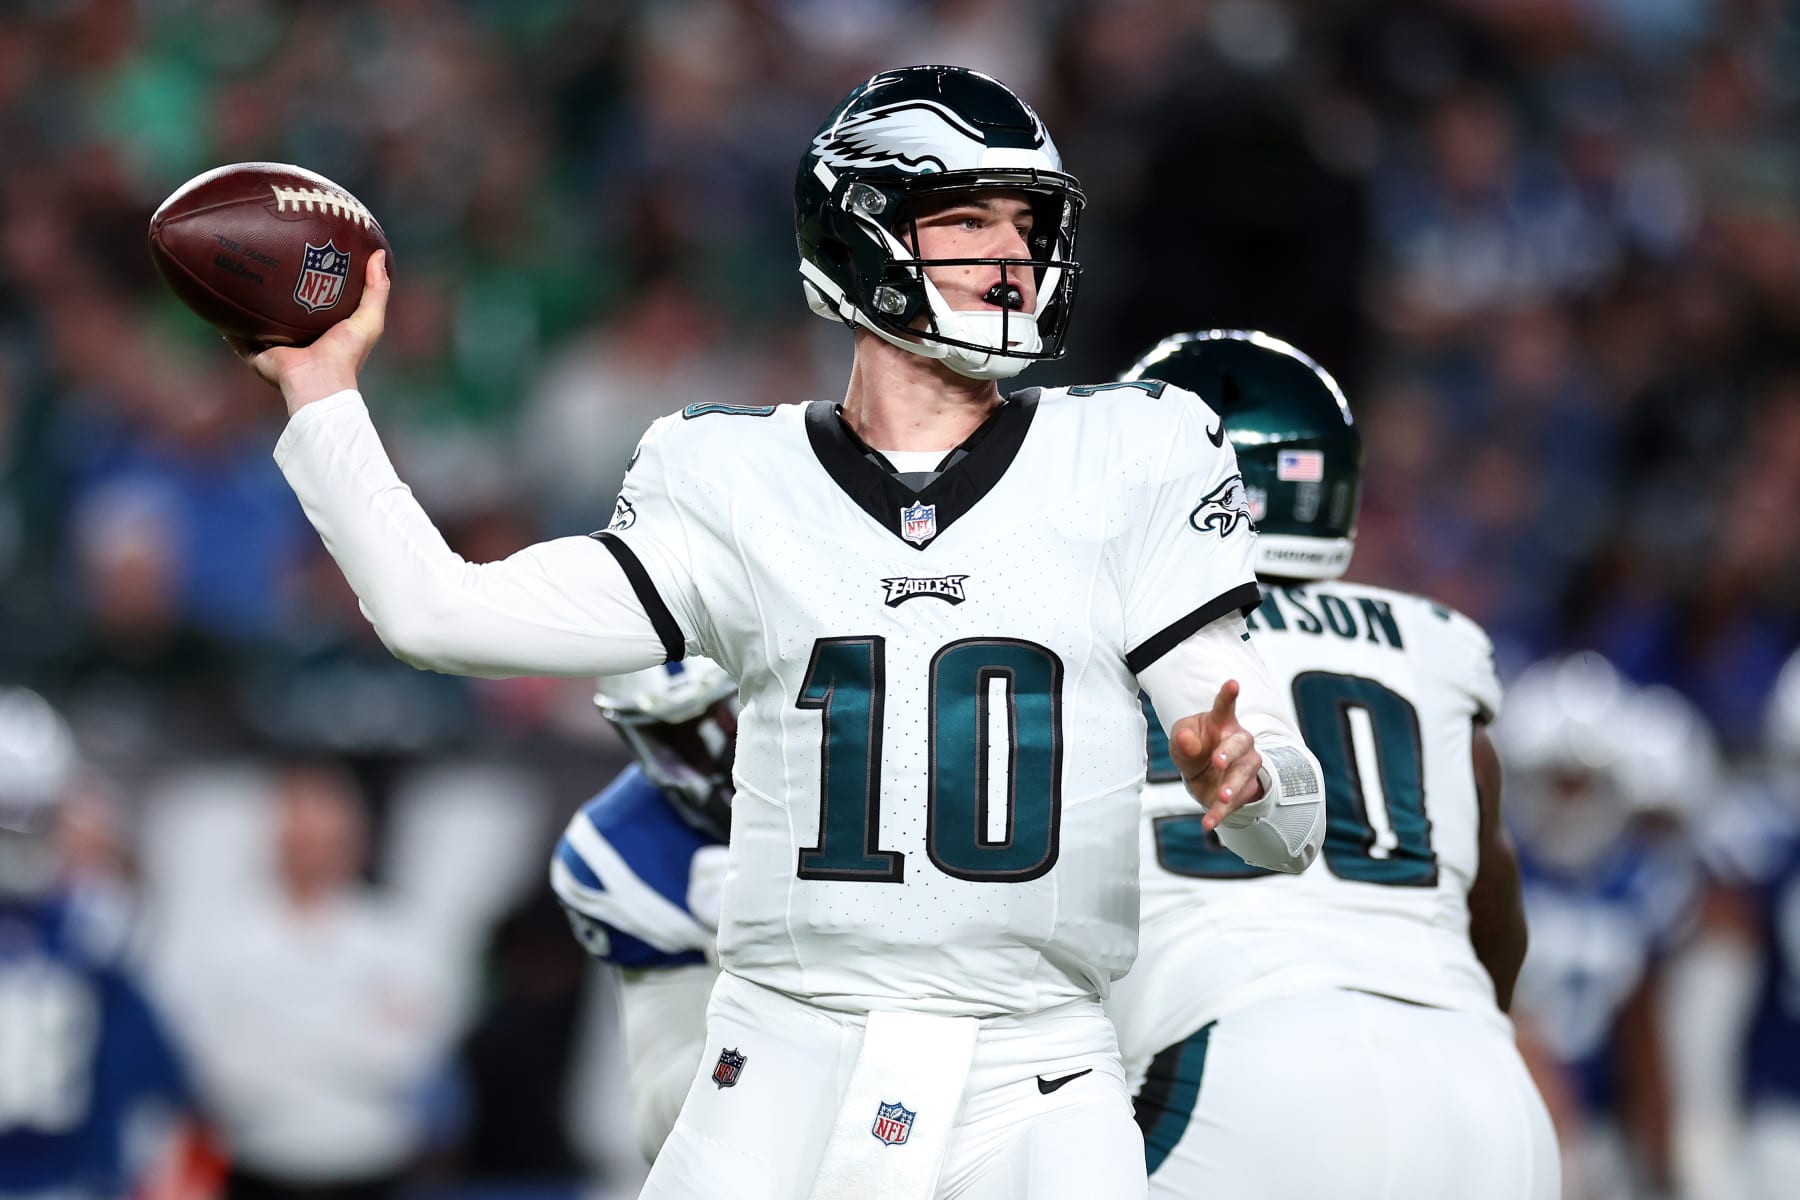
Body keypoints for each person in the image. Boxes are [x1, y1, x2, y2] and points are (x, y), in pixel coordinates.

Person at [237, 65, 1326, 1200]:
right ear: (857, 237)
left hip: (1038, 1067)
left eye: (1028, 221)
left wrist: (1248, 783)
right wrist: (321, 391)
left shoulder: (1135, 453)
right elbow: (437, 614)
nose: (1011, 253)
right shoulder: (729, 474)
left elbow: (1287, 822)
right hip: (783, 1057)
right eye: (966, 219)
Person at [1103, 331, 1559, 1199]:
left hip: (1235, 1062)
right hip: (1481, 1085)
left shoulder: (1103, 634)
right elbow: (1492, 906)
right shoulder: (1437, 644)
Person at [1498, 653, 1695, 1200]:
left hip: (1598, 1132)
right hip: (1503, 1120)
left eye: (1584, 785)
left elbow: (1645, 1043)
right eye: (1559, 782)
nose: (1570, 803)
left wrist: (1662, 1167)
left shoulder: (1642, 885)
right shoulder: (1492, 872)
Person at [0, 685, 206, 1199]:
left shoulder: (92, 923)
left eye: (33, 822)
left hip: (65, 1176)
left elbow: (149, 1063)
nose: (17, 843)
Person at [550, 658, 735, 1161]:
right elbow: (665, 1128)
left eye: (730, 723)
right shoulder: (618, 855)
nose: (716, 763)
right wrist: (738, 964)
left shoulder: (894, 774)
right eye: (674, 743)